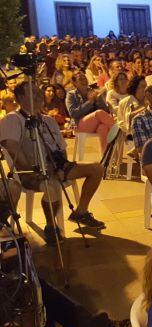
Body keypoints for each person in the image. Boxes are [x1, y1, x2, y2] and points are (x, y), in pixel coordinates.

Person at [0, 80, 106, 241]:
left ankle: (81, 212)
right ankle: (51, 226)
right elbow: (12, 148)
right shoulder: (12, 119)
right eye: (33, 93)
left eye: (38, 92)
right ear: (20, 98)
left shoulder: (48, 120)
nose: (38, 96)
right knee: (53, 186)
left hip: (56, 166)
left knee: (97, 168)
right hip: (30, 172)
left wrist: (61, 167)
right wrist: (36, 171)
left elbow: (61, 147)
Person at [65, 72, 115, 153]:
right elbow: (73, 113)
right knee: (98, 113)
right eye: (80, 79)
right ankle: (118, 133)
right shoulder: (71, 94)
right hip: (78, 125)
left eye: (84, 78)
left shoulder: (93, 92)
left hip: (95, 124)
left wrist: (98, 98)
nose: (84, 80)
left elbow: (105, 111)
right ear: (75, 83)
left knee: (103, 128)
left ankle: (105, 158)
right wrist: (90, 102)